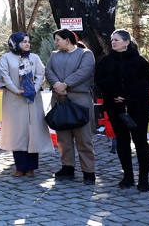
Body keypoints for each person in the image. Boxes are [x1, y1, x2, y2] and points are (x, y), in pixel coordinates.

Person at [95, 30, 149, 192]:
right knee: (122, 142)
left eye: (117, 40)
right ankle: (128, 176)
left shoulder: (140, 61)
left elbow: (145, 83)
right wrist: (115, 95)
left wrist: (127, 97)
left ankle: (143, 179)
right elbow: (100, 81)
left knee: (140, 142)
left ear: (127, 42)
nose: (113, 42)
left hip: (138, 108)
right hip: (115, 107)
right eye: (112, 40)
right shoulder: (106, 61)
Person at [0, 32, 54, 177]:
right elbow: (4, 75)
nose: (27, 44)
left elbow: (41, 74)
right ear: (15, 43)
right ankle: (20, 166)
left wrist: (32, 90)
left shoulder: (34, 58)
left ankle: (31, 167)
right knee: (18, 133)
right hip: (14, 100)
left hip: (33, 100)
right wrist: (17, 90)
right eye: (23, 42)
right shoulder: (6, 58)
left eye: (28, 41)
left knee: (32, 132)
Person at [46, 28, 96, 185]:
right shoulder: (54, 56)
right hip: (60, 100)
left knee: (83, 137)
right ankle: (67, 166)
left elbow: (84, 72)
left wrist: (65, 84)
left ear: (67, 40)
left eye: (58, 39)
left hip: (80, 100)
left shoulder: (86, 54)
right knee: (63, 138)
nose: (56, 43)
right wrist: (57, 85)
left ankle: (88, 171)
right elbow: (49, 71)